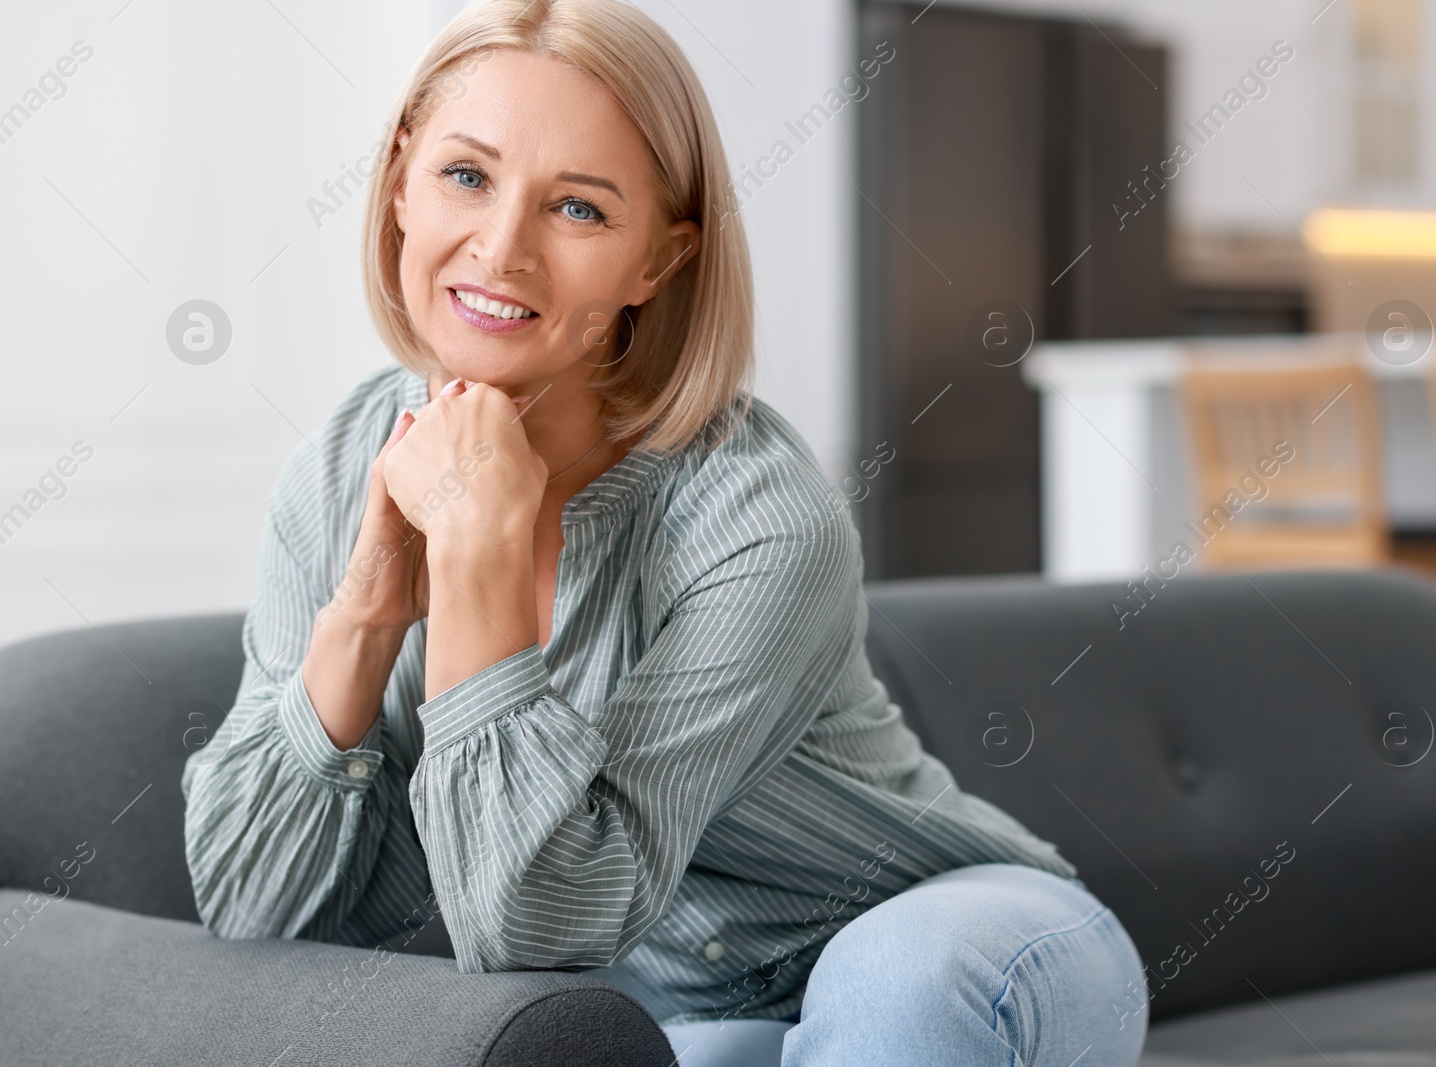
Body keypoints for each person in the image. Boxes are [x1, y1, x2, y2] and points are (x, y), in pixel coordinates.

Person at [179, 2, 1147, 1063]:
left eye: (579, 209)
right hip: (687, 1004)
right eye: (465, 175)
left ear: (659, 257)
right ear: (401, 180)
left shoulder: (757, 509)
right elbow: (249, 907)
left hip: (952, 935)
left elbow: (531, 921)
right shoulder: (335, 468)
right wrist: (367, 609)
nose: (500, 249)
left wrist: (483, 556)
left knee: (892, 993)